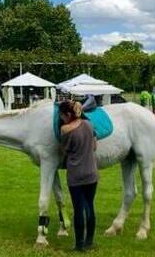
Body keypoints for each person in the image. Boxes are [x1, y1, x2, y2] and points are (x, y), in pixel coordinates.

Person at [59, 100, 98, 252]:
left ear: (68, 115)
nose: (61, 118)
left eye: (62, 115)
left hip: (76, 175)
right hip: (92, 173)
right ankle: (89, 242)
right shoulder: (89, 125)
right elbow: (94, 146)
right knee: (89, 206)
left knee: (78, 209)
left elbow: (64, 151)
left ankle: (79, 245)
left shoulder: (65, 130)